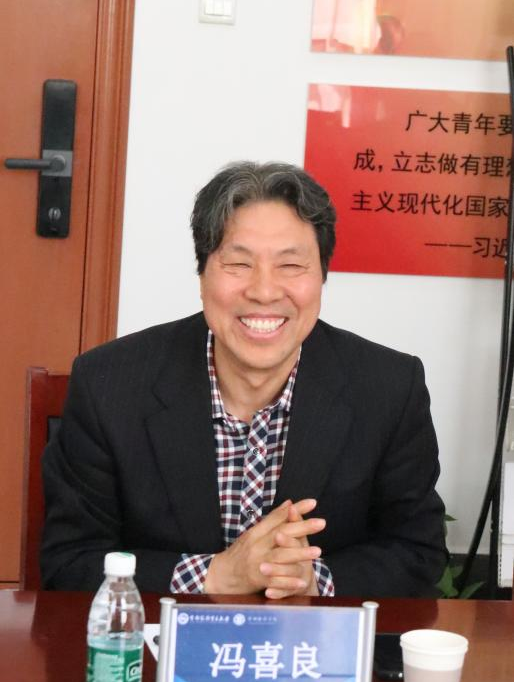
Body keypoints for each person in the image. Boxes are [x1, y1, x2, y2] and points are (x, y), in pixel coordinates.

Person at [41, 161, 447, 598]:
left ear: (322, 277)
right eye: (238, 263)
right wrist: (216, 575)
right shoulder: (109, 385)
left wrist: (313, 580)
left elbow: (417, 552)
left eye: (291, 265)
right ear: (202, 276)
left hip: (313, 637)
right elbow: (70, 561)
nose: (264, 291)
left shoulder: (388, 388)